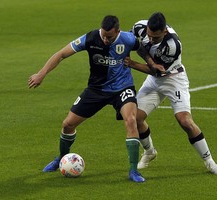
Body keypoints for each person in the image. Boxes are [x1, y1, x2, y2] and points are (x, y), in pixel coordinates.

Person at [28, 15, 146, 182]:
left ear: (118, 31)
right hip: (96, 89)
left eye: (110, 37)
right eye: (103, 35)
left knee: (131, 119)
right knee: (68, 124)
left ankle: (134, 171)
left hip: (122, 88)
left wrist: (150, 65)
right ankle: (61, 157)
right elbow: (61, 54)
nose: (105, 39)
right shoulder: (90, 38)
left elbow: (143, 49)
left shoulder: (128, 39)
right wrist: (41, 74)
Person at [125, 12, 217, 175]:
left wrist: (131, 63)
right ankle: (150, 152)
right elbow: (132, 43)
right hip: (153, 80)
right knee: (136, 118)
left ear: (164, 32)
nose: (151, 40)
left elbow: (157, 72)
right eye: (149, 36)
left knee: (185, 121)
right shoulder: (140, 27)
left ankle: (209, 162)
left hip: (173, 79)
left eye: (155, 38)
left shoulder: (172, 45)